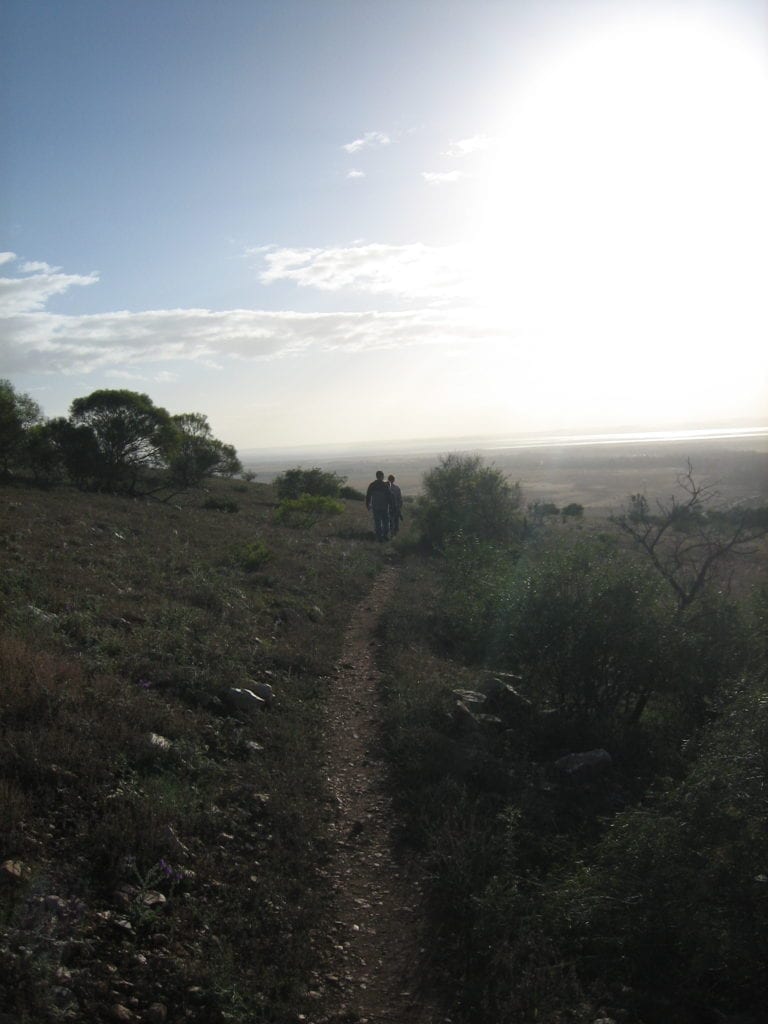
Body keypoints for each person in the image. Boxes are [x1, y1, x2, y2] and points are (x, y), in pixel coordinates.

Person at [365, 470, 394, 541]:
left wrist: (367, 505)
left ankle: (379, 537)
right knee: (386, 522)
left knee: (377, 522)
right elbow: (389, 496)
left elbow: (368, 496)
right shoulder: (385, 485)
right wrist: (391, 505)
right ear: (382, 476)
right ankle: (385, 535)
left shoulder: (372, 485)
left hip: (375, 506)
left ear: (376, 476)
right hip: (384, 506)